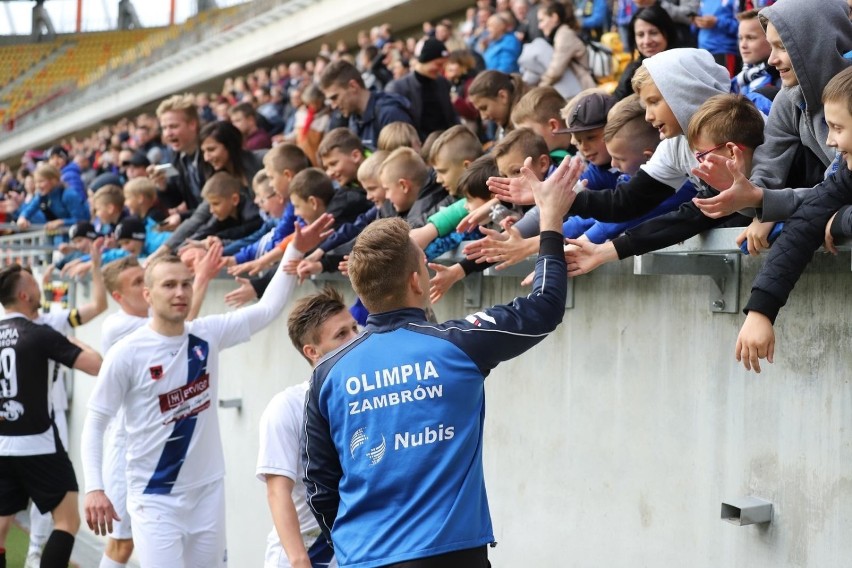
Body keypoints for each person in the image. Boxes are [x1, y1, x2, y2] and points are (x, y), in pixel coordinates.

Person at [301, 152, 584, 568]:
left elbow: (318, 484)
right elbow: (544, 306)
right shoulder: (458, 343)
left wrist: (351, 543)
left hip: (361, 556)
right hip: (450, 555)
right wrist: (551, 220)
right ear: (418, 280)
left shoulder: (327, 373)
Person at [80, 214, 331, 567]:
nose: (180, 292)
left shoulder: (207, 334)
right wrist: (94, 487)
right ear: (148, 294)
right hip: (155, 497)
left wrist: (293, 252)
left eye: (185, 284)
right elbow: (96, 420)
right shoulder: (127, 352)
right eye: (169, 286)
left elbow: (267, 310)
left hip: (207, 493)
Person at [709, 67, 852, 373]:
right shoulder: (846, 176)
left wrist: (840, 219)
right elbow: (804, 222)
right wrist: (761, 310)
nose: (829, 142)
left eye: (838, 128)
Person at [564, 93, 762, 273]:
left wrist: (767, 216)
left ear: (731, 150)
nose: (698, 166)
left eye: (701, 155)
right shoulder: (717, 183)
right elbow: (690, 216)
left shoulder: (786, 166)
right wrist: (602, 252)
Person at [0, 264, 102, 568]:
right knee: (67, 521)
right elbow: (96, 364)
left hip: (2, 445)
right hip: (39, 444)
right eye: (34, 284)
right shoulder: (40, 333)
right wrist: (68, 339)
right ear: (24, 294)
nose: (38, 289)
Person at [257, 288, 358, 568]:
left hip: (354, 552)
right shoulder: (286, 406)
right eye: (341, 335)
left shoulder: (368, 398)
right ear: (312, 352)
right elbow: (278, 491)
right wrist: (299, 560)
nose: (356, 339)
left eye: (354, 328)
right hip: (307, 556)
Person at [319, 60, 414, 150]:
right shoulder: (354, 119)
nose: (333, 106)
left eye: (335, 97)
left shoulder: (390, 114)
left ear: (353, 86)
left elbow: (406, 163)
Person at [386, 38, 460, 140]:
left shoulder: (442, 82)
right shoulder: (398, 88)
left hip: (448, 142)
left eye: (443, 64)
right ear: (425, 60)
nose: (441, 69)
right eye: (438, 64)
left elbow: (451, 116)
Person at [612, 4, 679, 101]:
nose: (646, 41)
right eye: (640, 35)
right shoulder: (632, 72)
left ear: (668, 32)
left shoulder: (683, 67)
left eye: (653, 33)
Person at [535, 0, 595, 94]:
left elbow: (555, 71)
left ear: (554, 17)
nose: (539, 26)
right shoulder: (562, 33)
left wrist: (537, 90)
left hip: (584, 90)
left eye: (542, 20)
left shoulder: (564, 36)